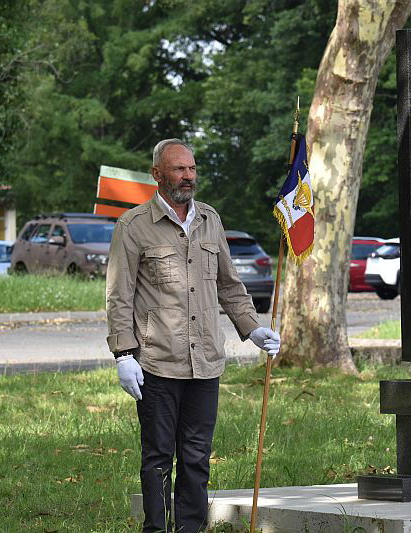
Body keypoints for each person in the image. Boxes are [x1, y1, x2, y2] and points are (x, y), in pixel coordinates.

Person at [106, 138, 281, 532]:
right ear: (157, 174)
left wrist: (253, 329)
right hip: (156, 363)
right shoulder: (133, 227)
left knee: (196, 457)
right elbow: (119, 297)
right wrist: (123, 355)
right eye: (178, 169)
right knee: (157, 458)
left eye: (192, 168)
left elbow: (230, 286)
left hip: (205, 364)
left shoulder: (210, 220)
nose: (188, 176)